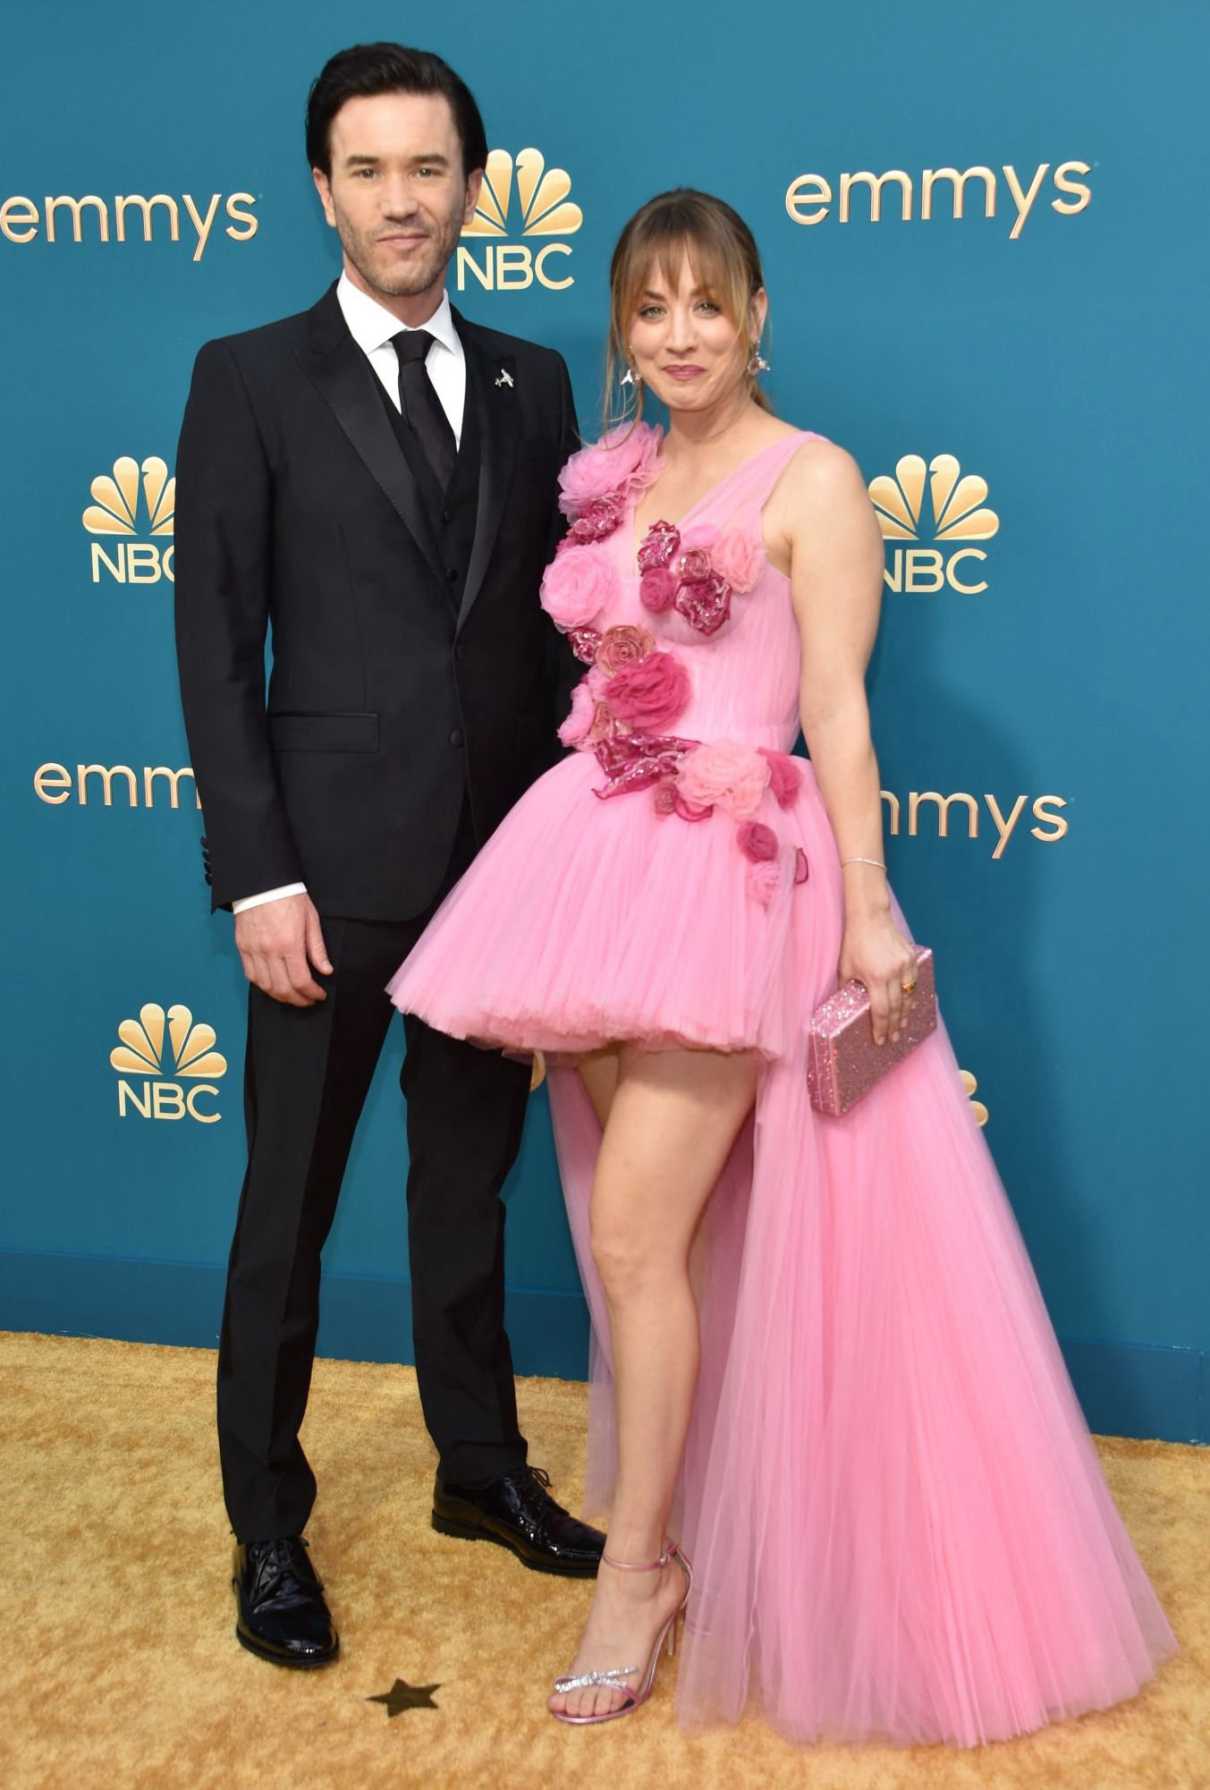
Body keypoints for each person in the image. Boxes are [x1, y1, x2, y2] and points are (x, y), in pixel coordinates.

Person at [387, 188, 1178, 1741]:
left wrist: (869, 913)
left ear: (758, 315)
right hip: (596, 862)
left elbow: (836, 708)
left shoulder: (813, 478)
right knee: (658, 1245)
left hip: (736, 874)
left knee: (628, 1242)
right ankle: (694, 1524)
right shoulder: (610, 481)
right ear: (623, 330)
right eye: (650, 308)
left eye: (707, 304)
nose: (679, 335)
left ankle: (637, 1572)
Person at [173, 41, 602, 1671]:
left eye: (429, 169)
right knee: (285, 1206)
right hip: (324, 881)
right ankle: (266, 1528)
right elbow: (215, 644)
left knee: (462, 1189)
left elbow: (548, 639)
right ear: (320, 191)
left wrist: (578, 840)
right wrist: (255, 872)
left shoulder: (532, 378)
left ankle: (478, 1472)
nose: (401, 199)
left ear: (471, 190)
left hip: (495, 872)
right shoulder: (247, 375)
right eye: (368, 170)